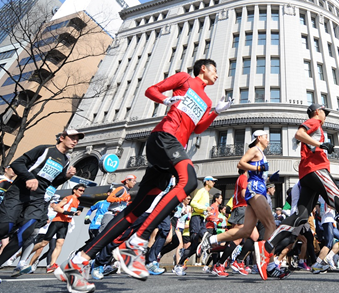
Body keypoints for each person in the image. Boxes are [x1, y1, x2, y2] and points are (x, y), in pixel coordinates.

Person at [55, 59, 233, 293]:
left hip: (174, 147)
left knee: (135, 210)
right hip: (163, 138)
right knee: (189, 181)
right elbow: (152, 90)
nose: (217, 76)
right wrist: (166, 99)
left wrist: (215, 112)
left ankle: (77, 261)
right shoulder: (184, 79)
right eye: (215, 70)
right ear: (203, 69)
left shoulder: (207, 99)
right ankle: (137, 242)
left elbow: (197, 128)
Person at [255, 103, 339, 280]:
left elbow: (307, 140)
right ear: (315, 112)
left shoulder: (317, 128)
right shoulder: (314, 122)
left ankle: (266, 247)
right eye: (323, 111)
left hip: (307, 174)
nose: (325, 114)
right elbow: (299, 134)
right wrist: (320, 143)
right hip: (316, 170)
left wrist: (322, 146)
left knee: (300, 217)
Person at [199, 130, 286, 279]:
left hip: (258, 188)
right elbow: (241, 163)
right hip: (255, 191)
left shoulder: (261, 153)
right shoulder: (254, 149)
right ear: (259, 138)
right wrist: (259, 168)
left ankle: (211, 240)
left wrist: (270, 178)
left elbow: (257, 174)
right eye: (266, 137)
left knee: (246, 231)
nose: (268, 140)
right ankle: (270, 265)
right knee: (271, 225)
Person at [0, 129, 81, 267]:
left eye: (77, 139)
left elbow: (53, 182)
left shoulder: (66, 161)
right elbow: (17, 163)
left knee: (26, 233)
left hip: (38, 197)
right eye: (72, 137)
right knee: (5, 228)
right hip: (19, 192)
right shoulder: (45, 149)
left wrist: (66, 177)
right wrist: (30, 177)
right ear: (62, 137)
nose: (75, 141)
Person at [30, 184, 85, 272]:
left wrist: (77, 212)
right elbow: (57, 208)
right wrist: (69, 213)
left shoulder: (77, 202)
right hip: (57, 221)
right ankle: (25, 254)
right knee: (43, 243)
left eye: (83, 191)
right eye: (80, 190)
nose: (82, 192)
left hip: (65, 223)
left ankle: (52, 265)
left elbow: (71, 211)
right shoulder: (68, 198)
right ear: (74, 190)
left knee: (60, 243)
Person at [174, 176, 216, 275]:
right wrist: (205, 208)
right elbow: (193, 203)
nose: (214, 183)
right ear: (207, 182)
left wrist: (206, 212)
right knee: (197, 241)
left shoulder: (206, 193)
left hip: (201, 219)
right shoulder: (201, 191)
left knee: (195, 245)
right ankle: (179, 265)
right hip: (196, 219)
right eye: (212, 181)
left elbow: (200, 208)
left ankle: (180, 264)